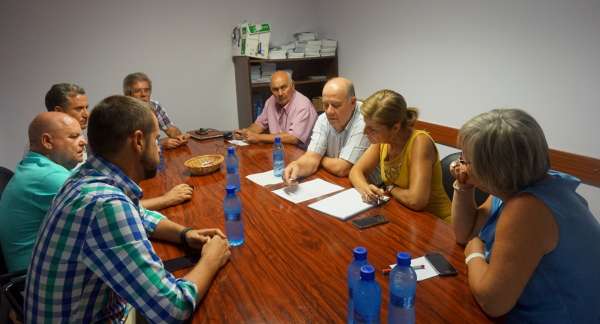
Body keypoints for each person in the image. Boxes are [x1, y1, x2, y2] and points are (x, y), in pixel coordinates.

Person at [25, 95, 231, 323]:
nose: (159, 149)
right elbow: (172, 309)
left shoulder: (83, 178)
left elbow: (139, 214)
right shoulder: (106, 205)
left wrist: (184, 234)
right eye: (156, 140)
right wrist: (211, 259)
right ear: (139, 141)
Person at [451, 109, 600, 322]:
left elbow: (492, 302)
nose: (461, 165)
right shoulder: (520, 184)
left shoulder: (527, 208)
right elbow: (465, 233)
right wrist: (463, 186)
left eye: (465, 160)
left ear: (493, 170)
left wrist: (474, 253)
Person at [44, 81, 192, 210]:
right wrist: (167, 199)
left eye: (86, 107)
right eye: (79, 109)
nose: (86, 114)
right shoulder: (53, 154)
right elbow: (108, 204)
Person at [0, 112, 86, 272]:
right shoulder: (47, 178)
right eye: (73, 137)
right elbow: (110, 215)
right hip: (35, 279)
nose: (83, 142)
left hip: (40, 270)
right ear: (47, 141)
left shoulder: (34, 167)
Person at [349, 89, 451, 221]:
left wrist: (390, 188)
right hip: (406, 216)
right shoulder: (383, 140)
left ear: (395, 128)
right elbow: (355, 171)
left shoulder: (420, 142)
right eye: (366, 125)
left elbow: (416, 200)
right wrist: (366, 189)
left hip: (438, 223)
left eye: (372, 129)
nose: (364, 132)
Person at [283, 77, 370, 182]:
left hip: (372, 186)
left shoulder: (366, 121)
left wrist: (319, 157)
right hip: (339, 182)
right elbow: (311, 158)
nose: (329, 111)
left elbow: (342, 168)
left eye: (336, 105)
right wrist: (297, 166)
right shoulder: (323, 119)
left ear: (352, 103)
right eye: (325, 105)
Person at [234, 71, 317, 149]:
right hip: (279, 150)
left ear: (292, 86)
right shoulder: (271, 101)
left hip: (303, 155)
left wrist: (258, 137)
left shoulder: (303, 105)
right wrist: (246, 133)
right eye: (275, 89)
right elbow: (259, 125)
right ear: (271, 90)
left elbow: (293, 138)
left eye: (283, 87)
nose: (280, 93)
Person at [123, 72, 190, 149]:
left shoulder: (155, 106)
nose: (143, 94)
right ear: (128, 95)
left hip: (153, 155)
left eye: (147, 90)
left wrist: (180, 137)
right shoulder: (123, 113)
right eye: (138, 91)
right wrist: (160, 144)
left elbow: (169, 128)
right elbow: (130, 146)